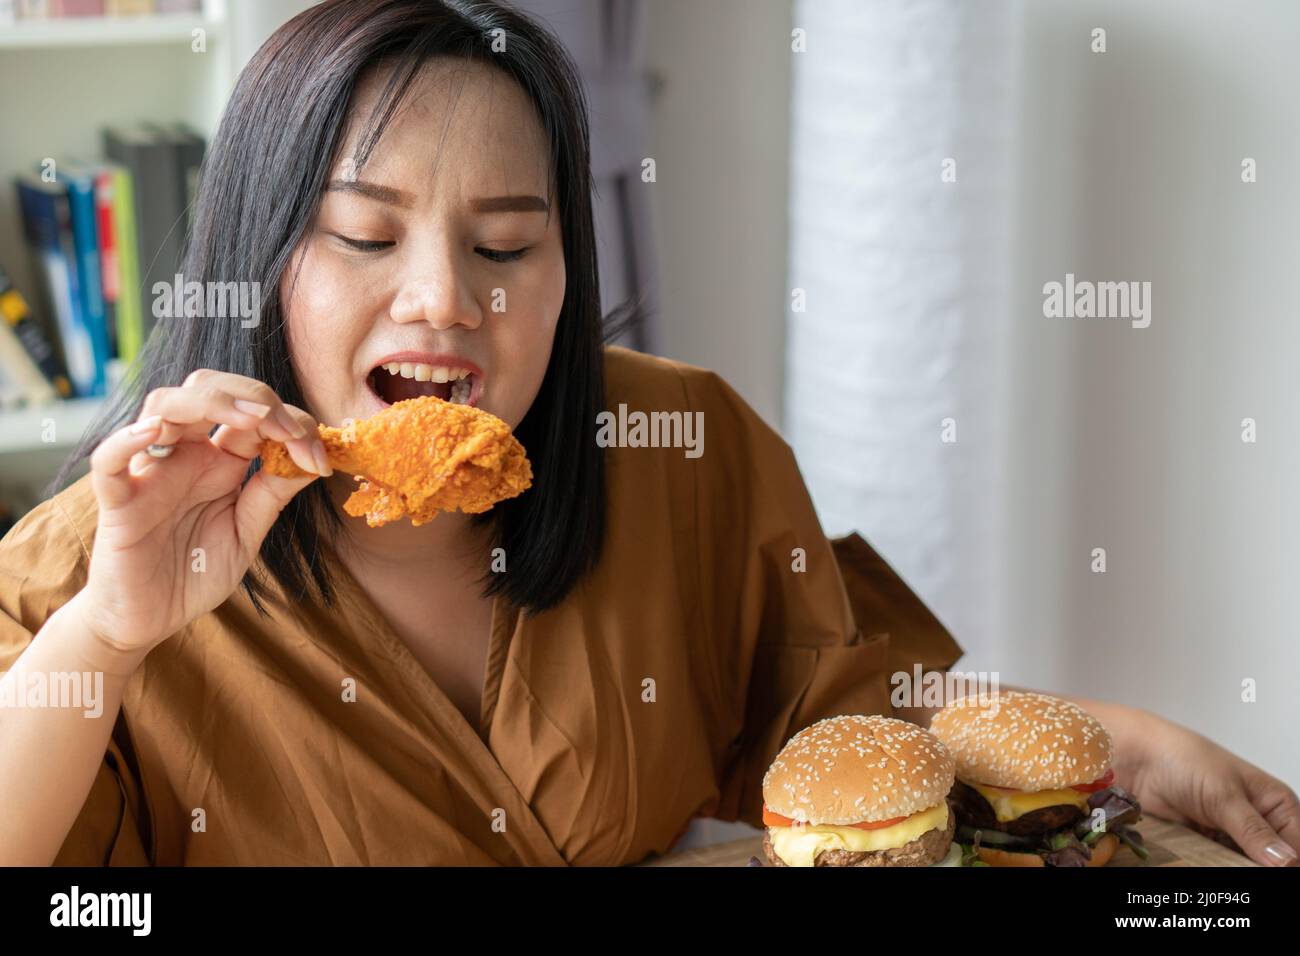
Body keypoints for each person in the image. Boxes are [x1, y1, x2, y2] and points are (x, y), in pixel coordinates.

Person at [0, 0, 1295, 867]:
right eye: (367, 235)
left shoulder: (677, 443)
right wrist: (108, 634)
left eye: (508, 241)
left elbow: (845, 720)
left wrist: (1121, 743)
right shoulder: (91, 565)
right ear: (260, 257)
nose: (448, 298)